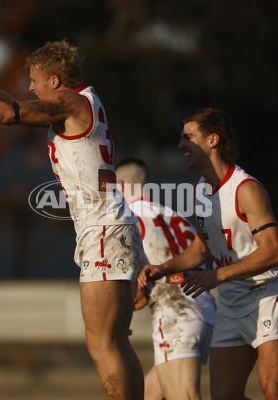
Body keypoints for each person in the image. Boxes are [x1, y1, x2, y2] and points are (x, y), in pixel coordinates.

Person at [0, 22, 146, 399]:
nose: (30, 88)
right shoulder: (82, 101)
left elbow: (5, 113)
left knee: (102, 345)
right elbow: (7, 103)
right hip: (112, 226)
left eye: (34, 81)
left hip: (103, 231)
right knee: (116, 342)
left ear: (54, 80)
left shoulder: (71, 102)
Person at [138, 107, 278, 400]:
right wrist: (162, 268)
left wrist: (218, 275)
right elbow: (201, 249)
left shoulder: (246, 188)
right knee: (224, 396)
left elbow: (273, 252)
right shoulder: (199, 190)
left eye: (188, 137)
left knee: (275, 390)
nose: (181, 145)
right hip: (231, 303)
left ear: (212, 140)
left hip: (265, 296)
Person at [115, 158, 216, 400]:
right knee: (147, 395)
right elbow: (204, 256)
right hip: (206, 311)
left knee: (185, 396)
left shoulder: (128, 219)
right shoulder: (175, 216)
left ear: (119, 184)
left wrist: (121, 315)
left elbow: (128, 271)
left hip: (175, 315)